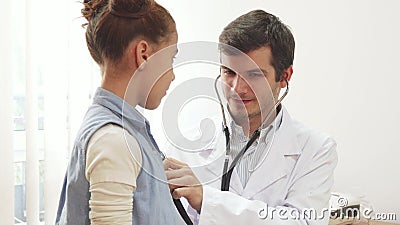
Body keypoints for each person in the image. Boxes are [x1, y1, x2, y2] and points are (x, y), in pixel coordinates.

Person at [164, 10, 338, 224]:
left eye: (254, 74)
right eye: (229, 72)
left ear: (284, 76)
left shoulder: (315, 150)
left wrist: (206, 200)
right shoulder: (183, 145)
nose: (238, 88)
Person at [55, 0, 179, 224]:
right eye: (171, 59)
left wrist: (155, 181)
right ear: (143, 54)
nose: (173, 75)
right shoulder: (114, 140)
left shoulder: (120, 132)